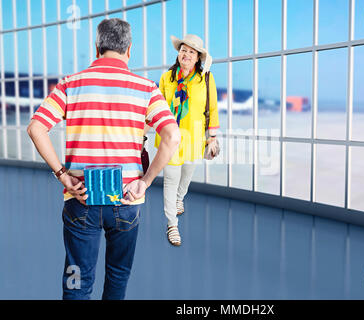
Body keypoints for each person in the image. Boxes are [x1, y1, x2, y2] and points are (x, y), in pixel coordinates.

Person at [27, 18, 180, 300]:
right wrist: (144, 182)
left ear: (97, 47)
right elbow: (172, 136)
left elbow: (36, 127)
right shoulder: (146, 88)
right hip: (126, 201)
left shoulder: (70, 85)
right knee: (118, 276)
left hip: (80, 199)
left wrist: (62, 174)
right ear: (129, 50)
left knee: (76, 279)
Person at [148, 34, 220, 246]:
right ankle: (172, 224)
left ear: (198, 57)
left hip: (194, 138)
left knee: (186, 175)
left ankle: (180, 198)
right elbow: (157, 107)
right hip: (170, 138)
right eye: (183, 50)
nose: (186, 54)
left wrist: (212, 138)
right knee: (170, 179)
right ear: (178, 54)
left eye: (191, 51)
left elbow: (212, 109)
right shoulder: (166, 78)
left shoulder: (206, 79)